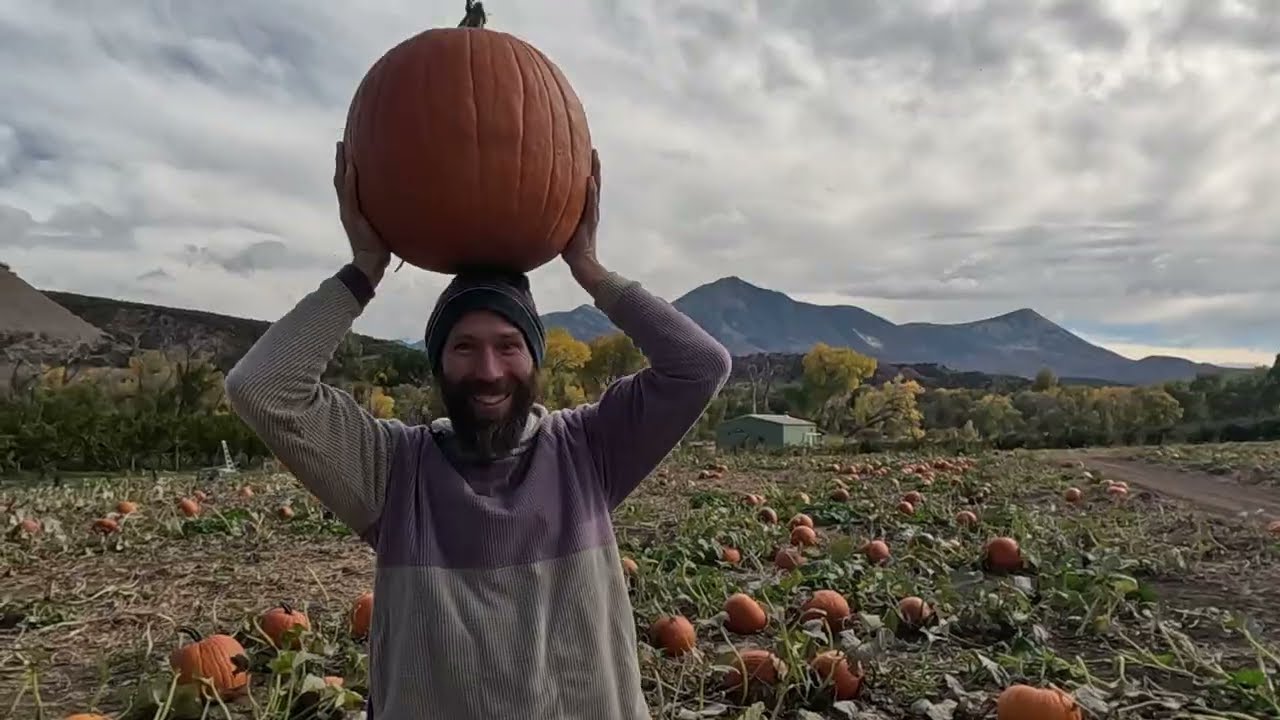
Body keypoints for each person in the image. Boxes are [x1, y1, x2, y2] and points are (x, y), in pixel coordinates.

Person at [224, 141, 732, 718]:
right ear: (438, 363)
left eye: (508, 346)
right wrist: (365, 269)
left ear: (535, 360)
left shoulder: (587, 451)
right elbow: (260, 387)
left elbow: (701, 367)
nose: (488, 372)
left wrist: (590, 269)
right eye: (463, 347)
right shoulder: (392, 471)